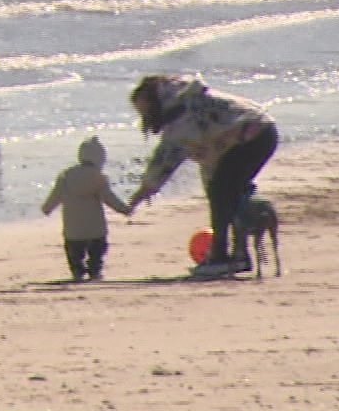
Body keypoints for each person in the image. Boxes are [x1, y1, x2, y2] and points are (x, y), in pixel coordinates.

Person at [122, 74, 279, 278]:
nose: (145, 117)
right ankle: (242, 245)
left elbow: (166, 158)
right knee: (230, 191)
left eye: (144, 111)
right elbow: (210, 153)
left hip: (252, 137)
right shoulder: (188, 100)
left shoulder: (180, 117)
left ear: (155, 101)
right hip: (263, 131)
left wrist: (145, 189)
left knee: (221, 193)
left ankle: (222, 256)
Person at [41, 135, 130, 281]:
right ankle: (94, 270)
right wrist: (124, 209)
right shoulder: (99, 177)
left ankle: (77, 271)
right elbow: (109, 199)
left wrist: (47, 208)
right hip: (95, 227)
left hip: (73, 227)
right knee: (97, 250)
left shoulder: (66, 176)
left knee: (74, 251)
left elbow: (55, 196)